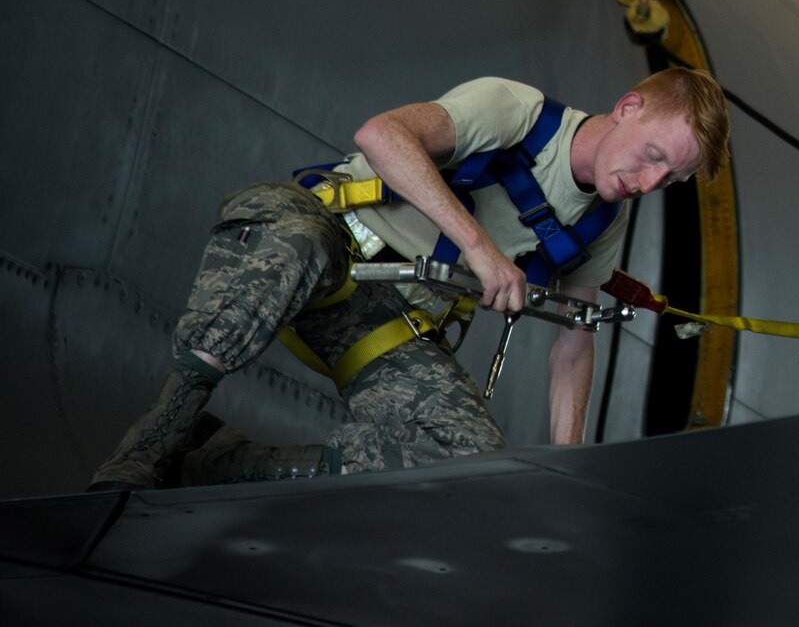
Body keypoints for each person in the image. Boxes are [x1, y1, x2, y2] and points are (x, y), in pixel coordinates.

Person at [88, 67, 729, 489]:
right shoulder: (519, 113)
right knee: (292, 243)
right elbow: (382, 133)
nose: (648, 183)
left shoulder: (602, 220)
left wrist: (567, 468)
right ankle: (149, 444)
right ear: (628, 108)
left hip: (385, 317)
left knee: (464, 468)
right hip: (329, 237)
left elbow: (574, 341)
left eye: (667, 179)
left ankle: (208, 464)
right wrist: (479, 247)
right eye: (652, 157)